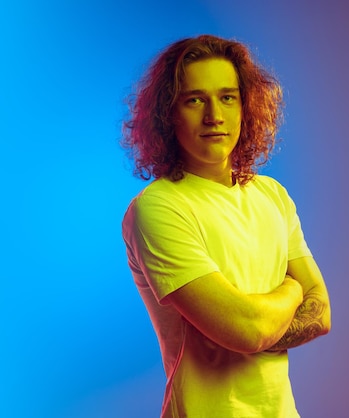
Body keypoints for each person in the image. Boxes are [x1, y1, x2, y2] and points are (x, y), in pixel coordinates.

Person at [121, 35, 331, 418]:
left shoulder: (273, 194)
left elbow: (321, 313)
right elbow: (248, 330)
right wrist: (293, 288)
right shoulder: (158, 208)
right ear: (168, 114)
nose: (213, 115)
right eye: (195, 99)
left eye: (227, 97)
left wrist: (251, 330)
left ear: (245, 105)